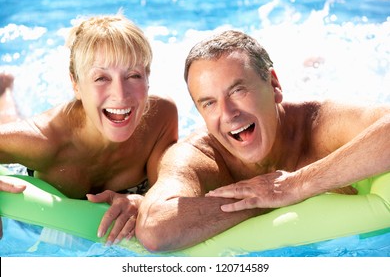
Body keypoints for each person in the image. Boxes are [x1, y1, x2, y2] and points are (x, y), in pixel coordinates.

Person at [136, 30, 390, 252]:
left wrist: (295, 186)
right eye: (209, 103)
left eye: (238, 90)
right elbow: (155, 229)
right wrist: (259, 200)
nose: (227, 114)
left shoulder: (319, 125)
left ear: (275, 85)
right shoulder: (197, 157)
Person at [0, 14, 178, 244]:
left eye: (133, 75)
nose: (121, 95)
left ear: (148, 78)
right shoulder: (45, 140)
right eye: (101, 78)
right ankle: (4, 91)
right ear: (75, 84)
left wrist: (143, 201)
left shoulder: (161, 117)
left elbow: (167, 192)